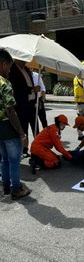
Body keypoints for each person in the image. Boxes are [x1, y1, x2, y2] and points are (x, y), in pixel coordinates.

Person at [0, 48, 31, 200]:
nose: (10, 70)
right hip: (8, 128)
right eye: (9, 67)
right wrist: (22, 133)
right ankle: (16, 189)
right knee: (14, 161)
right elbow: (10, 111)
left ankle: (6, 186)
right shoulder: (4, 84)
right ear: (3, 64)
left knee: (3, 159)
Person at [8, 59, 40, 157]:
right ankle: (24, 149)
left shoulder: (26, 69)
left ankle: (39, 147)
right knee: (23, 126)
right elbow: (16, 88)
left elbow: (30, 83)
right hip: (22, 104)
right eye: (23, 59)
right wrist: (31, 89)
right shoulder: (12, 70)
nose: (25, 61)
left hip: (32, 103)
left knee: (35, 126)